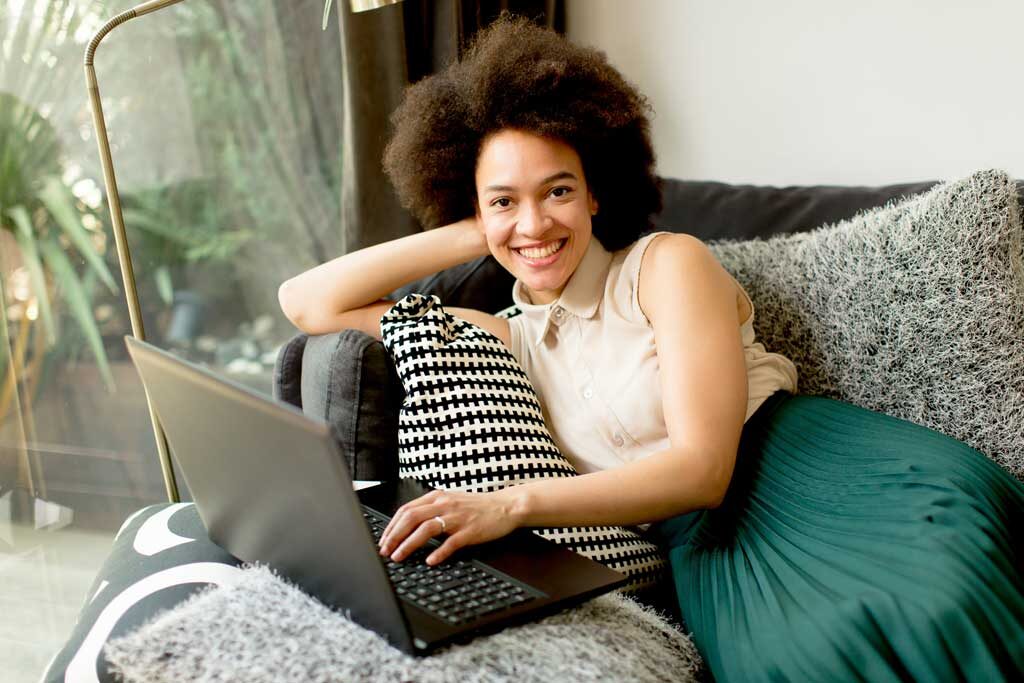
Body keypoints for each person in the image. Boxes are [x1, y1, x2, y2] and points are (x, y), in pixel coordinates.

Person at [279, 14, 1024, 681]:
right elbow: (309, 303)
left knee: (935, 607)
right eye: (505, 198)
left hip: (823, 474)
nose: (536, 222)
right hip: (708, 550)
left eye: (559, 190)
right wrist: (483, 224)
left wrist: (512, 504)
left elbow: (703, 469)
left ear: (597, 191)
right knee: (787, 663)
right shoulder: (503, 337)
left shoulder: (668, 265)